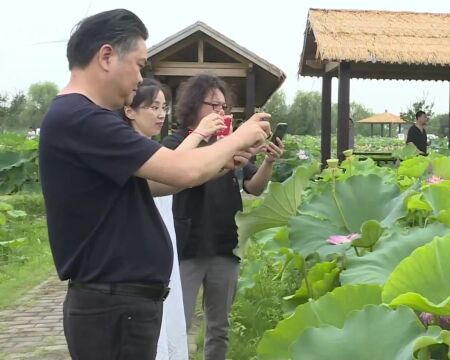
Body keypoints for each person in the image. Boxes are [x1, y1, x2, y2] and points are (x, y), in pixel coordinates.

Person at [38, 9, 270, 360]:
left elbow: (155, 184)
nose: (140, 78)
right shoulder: (83, 118)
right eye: (139, 64)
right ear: (106, 56)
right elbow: (180, 171)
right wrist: (238, 138)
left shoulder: (85, 119)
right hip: (112, 306)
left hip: (118, 304)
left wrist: (223, 162)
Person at [161, 74, 284, 360]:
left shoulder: (229, 144)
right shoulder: (177, 143)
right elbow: (183, 175)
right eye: (213, 105)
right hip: (187, 246)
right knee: (177, 324)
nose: (220, 112)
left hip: (225, 245)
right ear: (193, 106)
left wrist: (268, 161)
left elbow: (254, 187)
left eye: (224, 107)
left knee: (219, 327)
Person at [121, 78, 227, 360]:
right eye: (152, 106)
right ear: (129, 111)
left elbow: (186, 176)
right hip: (142, 259)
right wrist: (202, 134)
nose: (160, 114)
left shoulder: (150, 147)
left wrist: (226, 161)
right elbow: (174, 169)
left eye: (163, 107)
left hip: (163, 251)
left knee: (171, 329)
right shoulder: (130, 149)